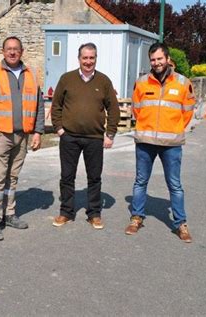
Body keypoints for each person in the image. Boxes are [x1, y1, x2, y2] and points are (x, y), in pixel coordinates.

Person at [0, 36, 45, 241]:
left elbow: (38, 105)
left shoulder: (31, 74)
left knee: (12, 178)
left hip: (21, 136)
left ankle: (9, 214)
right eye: (8, 49)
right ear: (3, 51)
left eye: (16, 49)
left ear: (22, 51)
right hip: (0, 135)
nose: (12, 52)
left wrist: (38, 132)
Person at [125, 42, 196, 242]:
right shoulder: (141, 83)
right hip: (145, 141)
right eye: (153, 60)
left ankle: (180, 223)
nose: (156, 63)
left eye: (159, 59)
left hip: (171, 144)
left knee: (175, 184)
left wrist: (173, 128)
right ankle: (136, 217)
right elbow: (136, 108)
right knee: (140, 181)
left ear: (167, 58)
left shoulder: (183, 83)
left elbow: (188, 111)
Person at [51, 42, 120, 230]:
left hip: (94, 139)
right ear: (79, 59)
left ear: (96, 58)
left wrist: (110, 133)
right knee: (67, 176)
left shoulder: (104, 81)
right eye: (85, 58)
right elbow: (56, 105)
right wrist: (59, 129)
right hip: (69, 137)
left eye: (92, 58)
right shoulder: (67, 79)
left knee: (94, 177)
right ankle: (66, 212)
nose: (88, 61)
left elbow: (113, 109)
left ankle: (94, 213)